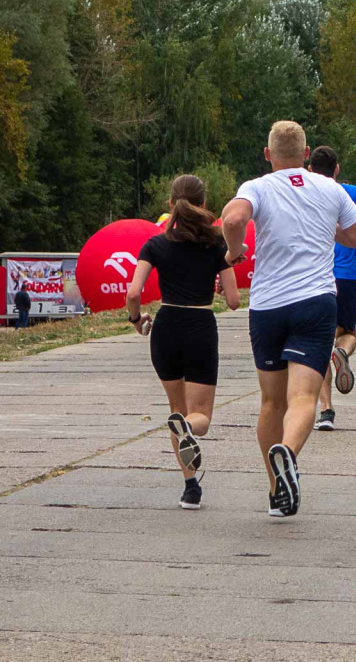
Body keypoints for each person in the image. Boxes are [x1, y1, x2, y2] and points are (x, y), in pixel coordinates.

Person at [222, 121, 356, 518]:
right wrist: (330, 232)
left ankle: (277, 491)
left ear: (267, 154)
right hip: (314, 303)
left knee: (271, 402)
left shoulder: (256, 187)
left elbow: (234, 220)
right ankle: (287, 452)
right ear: (306, 155)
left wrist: (233, 253)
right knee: (303, 398)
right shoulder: (330, 188)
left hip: (268, 306)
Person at [126, 174, 241, 510]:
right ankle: (189, 428)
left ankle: (191, 488)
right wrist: (220, 285)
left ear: (170, 204)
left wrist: (136, 320)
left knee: (176, 409)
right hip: (200, 326)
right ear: (204, 204)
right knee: (199, 416)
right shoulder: (217, 244)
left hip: (166, 327)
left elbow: (134, 292)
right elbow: (234, 301)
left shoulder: (155, 244)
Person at [307, 146, 356, 432]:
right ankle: (342, 353)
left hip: (314, 276)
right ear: (337, 169)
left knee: (320, 342)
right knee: (348, 334)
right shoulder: (353, 192)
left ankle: (326, 410)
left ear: (310, 168)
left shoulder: (302, 192)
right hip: (345, 276)